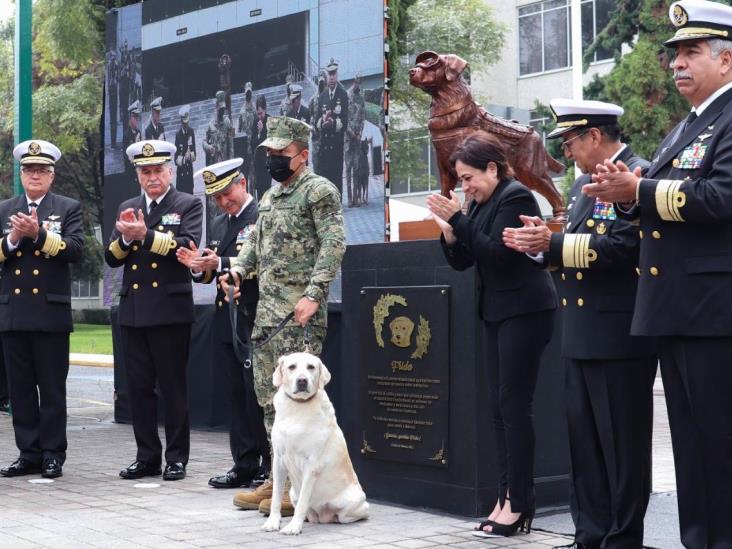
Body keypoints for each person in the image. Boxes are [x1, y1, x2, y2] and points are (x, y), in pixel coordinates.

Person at [583, 2, 732, 547]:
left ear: (727, 59)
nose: (676, 64)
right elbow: (663, 204)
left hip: (713, 310)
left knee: (718, 444)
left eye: (691, 52)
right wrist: (626, 195)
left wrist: (639, 191)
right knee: (692, 448)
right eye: (674, 55)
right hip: (677, 308)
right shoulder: (686, 127)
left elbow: (721, 198)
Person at [503, 99, 657, 549]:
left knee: (622, 450)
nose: (566, 153)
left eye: (569, 142)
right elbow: (574, 255)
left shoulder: (638, 175)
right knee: (584, 448)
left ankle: (622, 539)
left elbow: (627, 249)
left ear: (594, 135)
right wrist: (540, 246)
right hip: (581, 332)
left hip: (619, 335)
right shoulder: (581, 187)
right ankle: (589, 535)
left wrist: (552, 245)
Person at [426, 131, 556, 538]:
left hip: (525, 310)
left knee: (514, 407)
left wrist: (459, 220)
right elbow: (466, 258)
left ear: (493, 169)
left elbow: (499, 254)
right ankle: (505, 497)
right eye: (460, 180)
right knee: (499, 411)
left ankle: (520, 503)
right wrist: (450, 230)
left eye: (468, 178)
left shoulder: (515, 196)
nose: (464, 187)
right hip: (497, 312)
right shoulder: (481, 203)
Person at [220, 116, 345, 516]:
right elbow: (254, 244)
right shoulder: (271, 198)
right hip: (268, 317)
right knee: (271, 401)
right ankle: (279, 480)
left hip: (299, 314)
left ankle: (296, 488)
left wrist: (314, 293)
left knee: (300, 403)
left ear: (302, 154)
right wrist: (237, 270)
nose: (273, 160)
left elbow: (334, 242)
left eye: (281, 154)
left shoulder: (318, 191)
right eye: (270, 153)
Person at [105, 139, 202, 482]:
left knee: (173, 388)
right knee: (139, 389)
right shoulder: (129, 205)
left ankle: (176, 458)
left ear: (171, 171)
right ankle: (146, 456)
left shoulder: (187, 204)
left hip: (170, 311)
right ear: (138, 177)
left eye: (158, 170)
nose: (152, 177)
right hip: (134, 312)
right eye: (146, 172)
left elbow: (186, 246)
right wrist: (127, 239)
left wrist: (145, 235)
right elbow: (111, 257)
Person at [176, 158, 269, 489]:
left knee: (259, 394)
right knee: (235, 395)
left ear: (242, 184)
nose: (223, 202)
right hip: (224, 317)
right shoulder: (218, 223)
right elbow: (211, 272)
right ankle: (243, 462)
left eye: (227, 193)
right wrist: (198, 267)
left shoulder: (263, 216)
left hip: (255, 316)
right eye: (217, 197)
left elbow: (266, 262)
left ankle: (269, 464)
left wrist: (223, 262)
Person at [0, 140, 84, 479]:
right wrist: (13, 240)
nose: (35, 175)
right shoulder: (5, 208)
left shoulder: (68, 207)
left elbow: (76, 250)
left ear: (52, 175)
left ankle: (52, 454)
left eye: (42, 170)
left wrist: (38, 234)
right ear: (21, 174)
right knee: (19, 390)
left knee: (51, 389)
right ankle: (28, 452)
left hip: (49, 312)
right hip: (14, 312)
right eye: (29, 170)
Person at [316, 58, 349, 196]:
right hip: (324, 145)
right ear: (326, 75)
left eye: (334, 74)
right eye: (329, 74)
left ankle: (337, 207)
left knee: (336, 179)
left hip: (336, 144)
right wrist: (322, 123)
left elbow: (345, 121)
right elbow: (316, 120)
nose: (331, 77)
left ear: (337, 75)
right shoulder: (322, 96)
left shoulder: (343, 94)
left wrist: (333, 123)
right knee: (326, 179)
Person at [345, 73, 366, 208]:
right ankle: (350, 198)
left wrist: (359, 133)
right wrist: (351, 133)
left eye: (360, 82)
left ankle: (357, 198)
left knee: (357, 168)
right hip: (348, 138)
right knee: (348, 168)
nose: (358, 84)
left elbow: (363, 117)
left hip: (357, 138)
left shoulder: (361, 98)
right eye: (356, 82)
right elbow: (344, 118)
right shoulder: (347, 96)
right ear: (353, 81)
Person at [203, 91, 233, 166]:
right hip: (214, 163)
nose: (222, 111)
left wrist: (232, 162)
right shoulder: (211, 124)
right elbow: (204, 142)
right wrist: (208, 147)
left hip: (225, 161)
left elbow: (231, 144)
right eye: (220, 109)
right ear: (216, 108)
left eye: (223, 109)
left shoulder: (227, 122)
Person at [250, 94, 270, 200]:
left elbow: (270, 142)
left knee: (268, 193)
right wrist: (258, 133)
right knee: (260, 195)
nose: (260, 116)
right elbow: (253, 143)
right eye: (258, 114)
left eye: (261, 113)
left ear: (265, 110)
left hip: (268, 164)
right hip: (258, 164)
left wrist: (262, 132)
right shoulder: (255, 122)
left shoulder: (270, 121)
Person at [237, 82, 257, 187]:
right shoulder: (241, 112)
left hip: (253, 147)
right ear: (245, 94)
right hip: (244, 148)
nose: (248, 95)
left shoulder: (255, 110)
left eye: (249, 93)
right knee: (244, 174)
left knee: (253, 175)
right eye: (247, 93)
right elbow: (239, 131)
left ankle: (253, 197)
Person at [174, 105, 196, 195]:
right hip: (181, 176)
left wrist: (190, 156)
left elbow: (195, 153)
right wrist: (183, 159)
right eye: (184, 123)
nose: (186, 125)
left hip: (189, 173)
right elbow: (175, 159)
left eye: (187, 123)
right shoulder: (178, 135)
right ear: (181, 122)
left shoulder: (191, 132)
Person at [309, 71, 327, 174]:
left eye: (322, 82)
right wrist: (312, 126)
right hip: (316, 141)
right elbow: (310, 115)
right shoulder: (313, 100)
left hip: (327, 140)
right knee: (317, 170)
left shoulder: (330, 98)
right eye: (320, 82)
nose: (321, 84)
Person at [123, 100, 142, 178]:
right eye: (134, 116)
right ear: (130, 118)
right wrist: (135, 143)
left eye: (137, 116)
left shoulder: (138, 132)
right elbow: (126, 156)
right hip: (131, 173)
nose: (136, 119)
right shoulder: (126, 134)